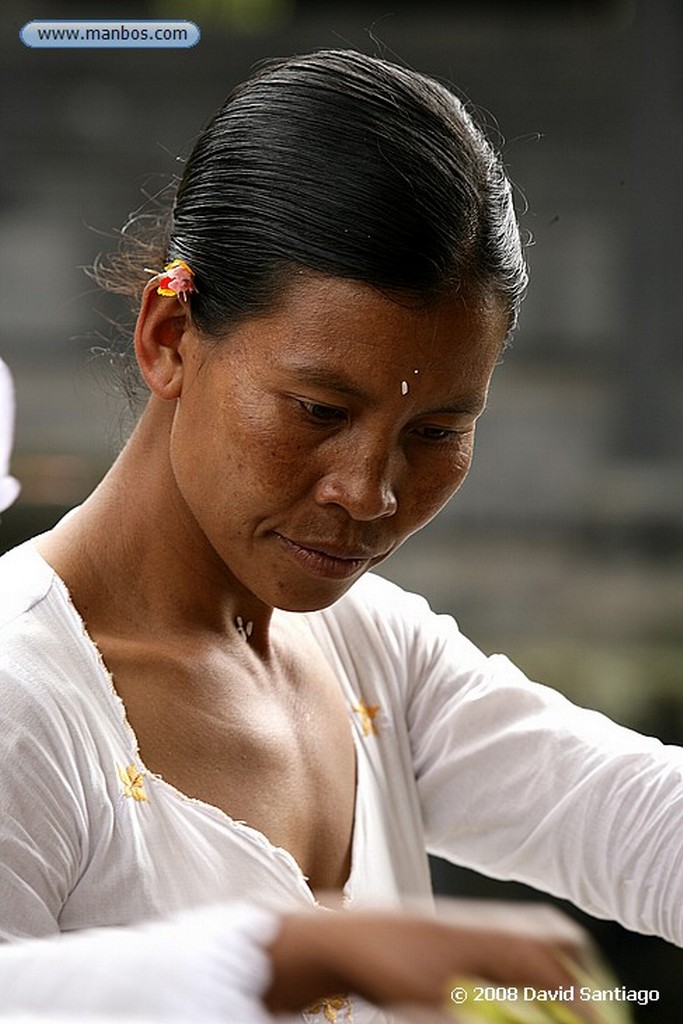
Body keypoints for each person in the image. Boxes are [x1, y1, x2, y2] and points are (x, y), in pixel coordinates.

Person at [1, 49, 681, 1022]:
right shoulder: (23, 697)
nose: (368, 492)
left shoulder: (371, 653)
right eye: (318, 409)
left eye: (435, 432)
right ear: (166, 336)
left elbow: (639, 821)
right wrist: (292, 953)